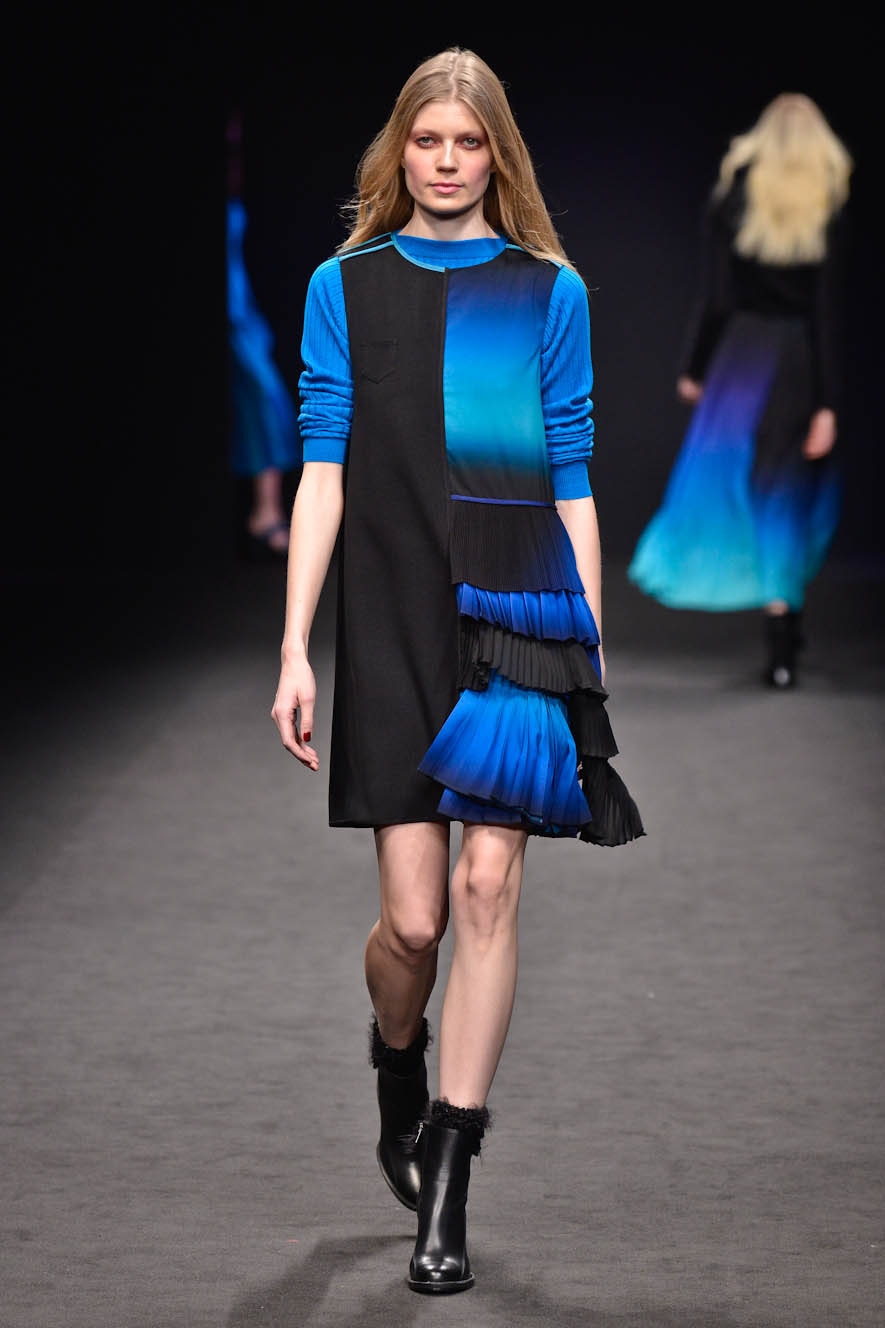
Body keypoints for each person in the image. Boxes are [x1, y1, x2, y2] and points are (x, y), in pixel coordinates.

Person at [271, 47, 644, 1295]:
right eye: (427, 140)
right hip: (389, 614)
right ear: (402, 149)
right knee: (416, 922)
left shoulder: (548, 289)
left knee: (489, 884)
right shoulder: (346, 284)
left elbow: (573, 473)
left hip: (517, 608)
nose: (445, 161)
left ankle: (449, 1168)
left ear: (497, 154)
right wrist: (295, 643)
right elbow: (322, 467)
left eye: (468, 142)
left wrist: (588, 644)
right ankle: (398, 1053)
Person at [627, 92, 854, 687]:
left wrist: (696, 368)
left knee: (734, 484)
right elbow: (826, 312)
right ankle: (783, 637)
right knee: (786, 493)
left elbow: (718, 297)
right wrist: (828, 403)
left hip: (742, 359)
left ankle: (779, 630)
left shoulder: (734, 195)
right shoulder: (825, 202)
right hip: (797, 361)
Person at [226, 109, 301, 560]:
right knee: (259, 401)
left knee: (269, 403)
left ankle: (267, 511)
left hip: (243, 311)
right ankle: (265, 513)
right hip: (233, 314)